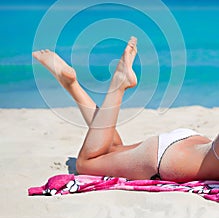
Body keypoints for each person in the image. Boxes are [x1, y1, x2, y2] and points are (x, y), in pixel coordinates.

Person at [32, 37, 219, 182]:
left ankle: (72, 85)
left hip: (190, 144)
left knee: (110, 149)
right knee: (86, 164)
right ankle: (118, 83)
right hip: (170, 158)